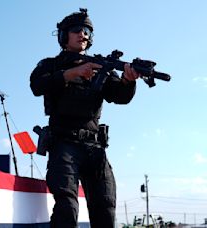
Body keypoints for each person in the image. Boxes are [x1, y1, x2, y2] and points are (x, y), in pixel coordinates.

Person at [30, 8, 140, 228]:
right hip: (64, 144)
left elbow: (119, 96)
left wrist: (129, 81)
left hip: (94, 147)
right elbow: (37, 86)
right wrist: (71, 73)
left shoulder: (101, 67)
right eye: (77, 30)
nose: (83, 34)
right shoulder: (49, 65)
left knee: (105, 208)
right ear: (63, 36)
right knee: (66, 209)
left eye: (88, 31)